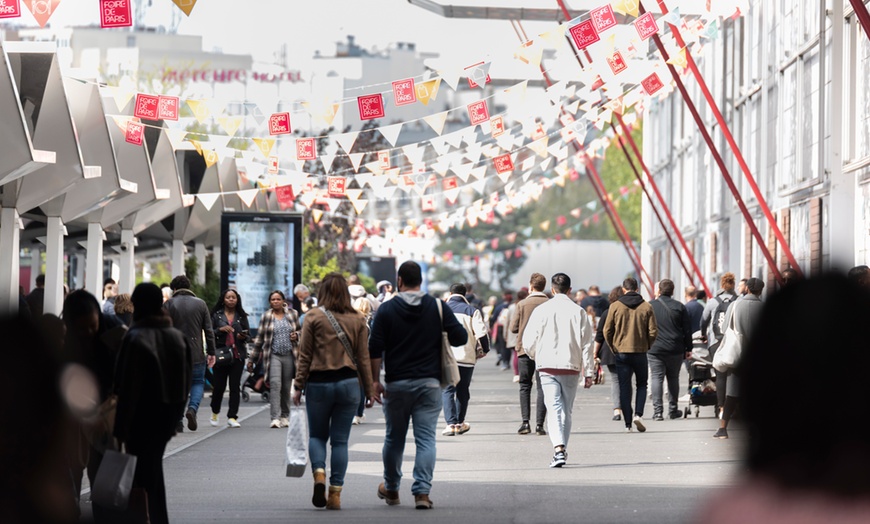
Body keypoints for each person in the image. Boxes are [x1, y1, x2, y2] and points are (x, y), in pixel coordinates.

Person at [699, 275, 870, 523]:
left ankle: (722, 425)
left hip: (743, 360)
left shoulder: (733, 512)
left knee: (730, 394)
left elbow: (726, 330)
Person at [369, 261, 467, 510]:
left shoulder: (386, 309)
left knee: (394, 438)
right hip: (429, 383)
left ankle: (391, 489)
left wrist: (373, 381)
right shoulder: (437, 306)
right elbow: (461, 337)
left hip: (397, 384)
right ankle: (422, 492)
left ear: (399, 280)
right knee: (425, 439)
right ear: (420, 280)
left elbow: (374, 348)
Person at [292, 273, 375, 511]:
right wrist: (369, 389)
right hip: (349, 384)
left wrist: (298, 385)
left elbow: (304, 354)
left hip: (318, 384)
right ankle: (335, 494)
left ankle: (319, 473)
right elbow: (363, 358)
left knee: (317, 436)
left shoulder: (313, 316)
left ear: (324, 292)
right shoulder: (357, 318)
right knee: (340, 442)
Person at [114, 283, 193, 524]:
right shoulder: (177, 337)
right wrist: (175, 416)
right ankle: (157, 517)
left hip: (139, 420)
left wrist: (119, 428)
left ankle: (147, 517)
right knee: (152, 470)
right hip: (166, 416)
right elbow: (186, 381)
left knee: (141, 476)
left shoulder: (135, 337)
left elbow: (125, 386)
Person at [61, 290, 126, 520]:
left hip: (106, 416)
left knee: (104, 480)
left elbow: (126, 374)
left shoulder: (114, 330)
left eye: (93, 326)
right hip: (74, 417)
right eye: (82, 328)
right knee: (71, 473)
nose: (89, 332)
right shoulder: (62, 338)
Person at [522, 273, 595, 468]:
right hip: (570, 365)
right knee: (566, 410)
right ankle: (562, 448)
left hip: (546, 365)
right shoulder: (579, 312)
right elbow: (587, 344)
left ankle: (558, 449)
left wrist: (536, 355)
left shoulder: (541, 310)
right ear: (570, 290)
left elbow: (528, 341)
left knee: (553, 407)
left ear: (552, 290)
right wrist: (589, 372)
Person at [712, 277, 765, 439]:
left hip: (737, 356)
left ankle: (723, 428)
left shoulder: (735, 305)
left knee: (732, 395)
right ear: (760, 291)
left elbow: (724, 327)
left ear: (747, 289)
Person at [603, 277, 657, 433]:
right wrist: (646, 345)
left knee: (624, 387)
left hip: (621, 352)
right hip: (640, 352)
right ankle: (638, 414)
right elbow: (653, 331)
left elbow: (607, 330)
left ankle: (627, 423)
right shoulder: (646, 307)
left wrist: (614, 347)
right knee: (642, 384)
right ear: (637, 289)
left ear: (623, 289)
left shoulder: (615, 306)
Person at [164, 275, 216, 433]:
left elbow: (163, 329)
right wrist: (212, 352)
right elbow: (209, 330)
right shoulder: (201, 304)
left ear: (174, 289)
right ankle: (192, 409)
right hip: (196, 352)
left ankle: (178, 421)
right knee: (198, 382)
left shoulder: (168, 304)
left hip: (174, 352)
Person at [441, 283, 490, 436]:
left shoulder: (441, 310)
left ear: (450, 293)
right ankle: (460, 423)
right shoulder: (472, 310)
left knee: (448, 389)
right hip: (466, 357)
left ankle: (451, 424)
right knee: (463, 390)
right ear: (465, 293)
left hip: (446, 357)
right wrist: (485, 350)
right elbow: (482, 334)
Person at [249, 290, 300, 428]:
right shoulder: (266, 316)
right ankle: (275, 418)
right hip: (274, 355)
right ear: (270, 302)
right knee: (275, 384)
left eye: (278, 299)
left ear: (284, 301)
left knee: (286, 387)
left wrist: (297, 335)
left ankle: (285, 416)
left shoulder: (292, 314)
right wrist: (252, 360)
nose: (276, 302)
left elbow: (301, 332)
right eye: (273, 300)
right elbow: (259, 339)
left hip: (289, 355)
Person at [510, 272, 550, 435]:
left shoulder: (522, 304)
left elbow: (513, 328)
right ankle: (540, 424)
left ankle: (525, 422)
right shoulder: (550, 303)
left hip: (525, 349)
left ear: (531, 287)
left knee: (525, 385)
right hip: (544, 349)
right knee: (543, 387)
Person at [648, 279, 693, 421]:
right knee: (673, 378)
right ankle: (673, 410)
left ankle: (658, 412)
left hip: (655, 348)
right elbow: (687, 329)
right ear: (672, 291)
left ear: (659, 291)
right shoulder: (679, 307)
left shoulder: (650, 306)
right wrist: (689, 348)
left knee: (656, 377)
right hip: (675, 348)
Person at [209, 289, 250, 428]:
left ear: (237, 299)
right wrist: (219, 330)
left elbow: (248, 335)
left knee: (235, 387)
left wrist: (242, 337)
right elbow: (209, 333)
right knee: (219, 387)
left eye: (233, 297)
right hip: (221, 355)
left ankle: (232, 416)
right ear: (223, 299)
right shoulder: (216, 316)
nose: (231, 300)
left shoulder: (241, 316)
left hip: (237, 355)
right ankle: (215, 411)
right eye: (228, 297)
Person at [700, 272, 738, 415]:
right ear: (733, 285)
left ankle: (721, 407)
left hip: (716, 342)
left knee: (720, 375)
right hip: (733, 342)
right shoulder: (737, 301)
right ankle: (733, 408)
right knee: (733, 376)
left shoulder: (713, 302)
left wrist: (704, 334)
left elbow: (703, 321)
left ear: (721, 285)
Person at [595, 286, 624, 421]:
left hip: (610, 350)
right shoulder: (629, 311)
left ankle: (617, 409)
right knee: (626, 379)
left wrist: (595, 353)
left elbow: (600, 335)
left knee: (615, 380)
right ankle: (627, 407)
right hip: (628, 349)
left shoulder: (607, 312)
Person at [505, 289, 527, 382]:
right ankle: (524, 373)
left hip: (512, 333)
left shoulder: (511, 307)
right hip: (523, 333)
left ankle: (516, 374)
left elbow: (507, 322)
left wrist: (505, 334)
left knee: (515, 354)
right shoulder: (525, 305)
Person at [490, 291, 513, 370]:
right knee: (508, 346)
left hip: (501, 327)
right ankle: (508, 362)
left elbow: (494, 318)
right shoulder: (513, 306)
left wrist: (491, 325)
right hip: (510, 327)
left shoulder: (499, 307)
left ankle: (504, 361)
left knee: (502, 345)